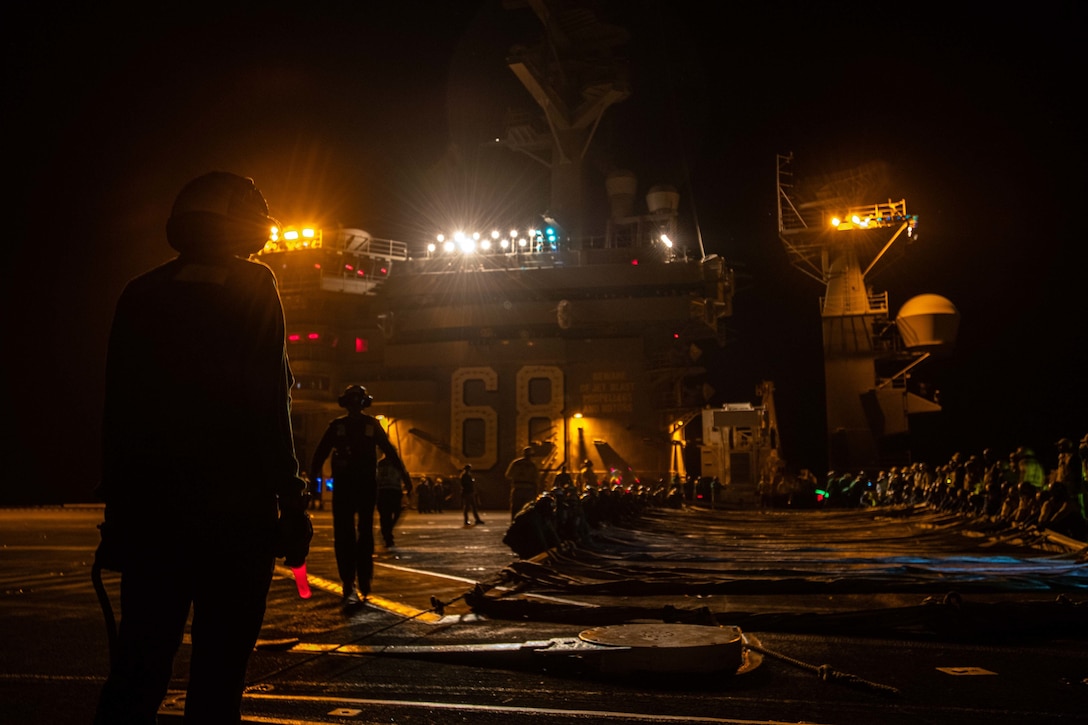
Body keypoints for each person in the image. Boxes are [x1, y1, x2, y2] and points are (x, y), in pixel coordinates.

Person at [93, 171, 311, 724]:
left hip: (152, 518)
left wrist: (118, 518)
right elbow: (268, 403)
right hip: (235, 520)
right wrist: (292, 504)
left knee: (137, 673)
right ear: (242, 224)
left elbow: (118, 414)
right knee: (217, 682)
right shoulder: (253, 285)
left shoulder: (139, 292)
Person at [310, 384, 411, 604]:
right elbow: (390, 451)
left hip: (353, 487)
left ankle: (353, 580)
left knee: (350, 534)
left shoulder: (345, 426)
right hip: (359, 487)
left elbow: (319, 456)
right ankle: (358, 580)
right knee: (360, 533)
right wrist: (404, 476)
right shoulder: (366, 425)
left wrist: (311, 481)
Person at [376, 453, 411, 548]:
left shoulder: (379, 463)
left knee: (384, 515)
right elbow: (404, 474)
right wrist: (408, 486)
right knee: (396, 512)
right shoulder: (397, 462)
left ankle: (386, 532)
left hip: (382, 491)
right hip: (394, 490)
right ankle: (388, 532)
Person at [506, 446, 539, 521]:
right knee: (528, 509)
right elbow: (536, 478)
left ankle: (514, 523)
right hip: (529, 489)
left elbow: (508, 475)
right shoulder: (532, 465)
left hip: (517, 488)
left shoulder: (516, 463)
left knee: (515, 508)